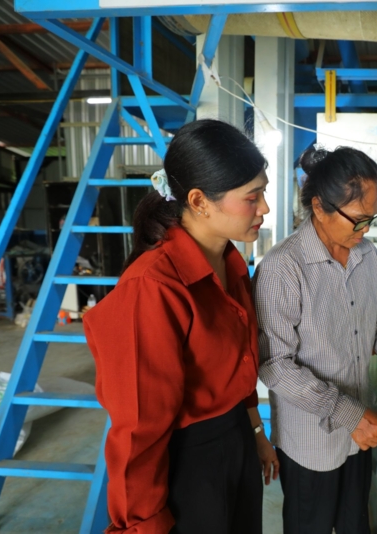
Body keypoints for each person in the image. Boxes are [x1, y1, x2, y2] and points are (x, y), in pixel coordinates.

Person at [84, 119, 278, 534]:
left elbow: (239, 371)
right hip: (188, 464)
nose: (264, 208)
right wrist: (142, 523)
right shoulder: (152, 287)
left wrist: (255, 432)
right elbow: (139, 429)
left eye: (263, 192)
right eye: (252, 197)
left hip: (236, 442)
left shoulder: (231, 266)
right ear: (199, 201)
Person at [253, 146, 377, 534]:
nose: (365, 231)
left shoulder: (367, 256)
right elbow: (275, 366)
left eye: (372, 219)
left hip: (360, 432)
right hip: (311, 441)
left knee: (355, 525)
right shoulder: (283, 268)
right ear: (319, 207)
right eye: (359, 220)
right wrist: (349, 413)